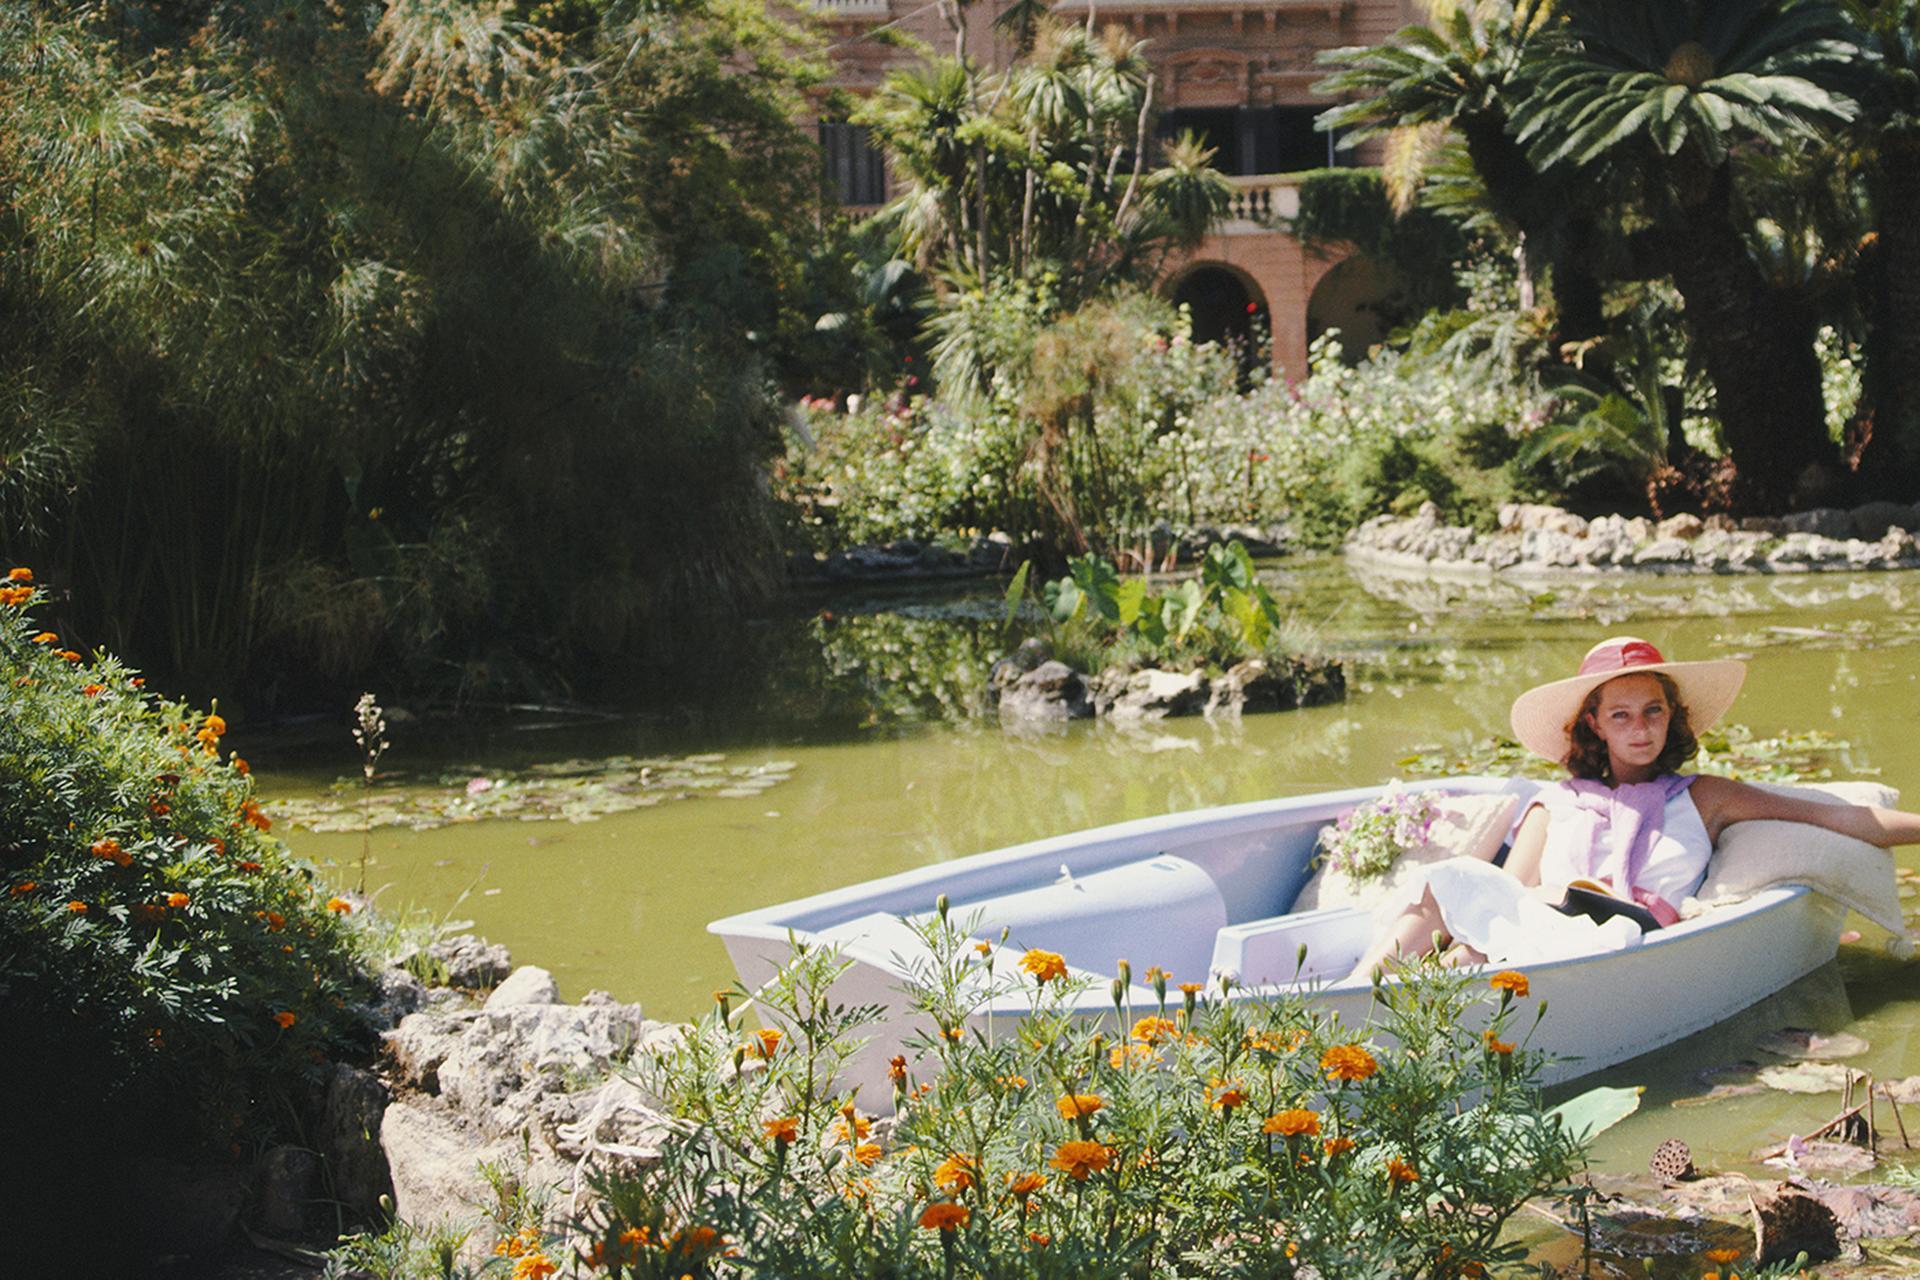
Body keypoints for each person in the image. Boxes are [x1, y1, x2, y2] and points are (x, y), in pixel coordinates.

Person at [1351, 635, 1920, 977]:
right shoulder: (1556, 803)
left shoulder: (1704, 794)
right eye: (1620, 715)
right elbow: (1510, 893)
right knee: (1453, 896)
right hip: (1543, 929)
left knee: (1485, 949)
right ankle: (1348, 998)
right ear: (1594, 724)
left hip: (1630, 936)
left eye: (1653, 710)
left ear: (1672, 715)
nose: (1640, 728)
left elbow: (1835, 817)